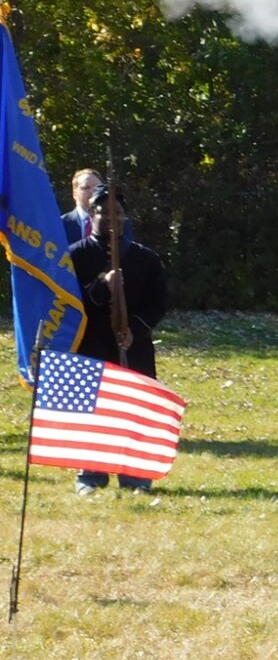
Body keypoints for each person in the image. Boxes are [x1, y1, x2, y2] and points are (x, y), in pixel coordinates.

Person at [65, 185, 168, 494]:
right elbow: (69, 300)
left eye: (118, 213)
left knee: (133, 411)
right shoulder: (75, 255)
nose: (111, 219)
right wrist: (102, 287)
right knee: (93, 413)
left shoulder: (146, 258)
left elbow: (159, 302)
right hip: (92, 345)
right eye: (103, 213)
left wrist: (135, 328)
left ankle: (136, 477)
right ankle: (91, 476)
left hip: (133, 348)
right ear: (91, 216)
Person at [62, 169, 132, 247]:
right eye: (86, 187)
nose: (92, 191)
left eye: (97, 187)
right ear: (74, 193)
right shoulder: (61, 223)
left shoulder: (119, 221)